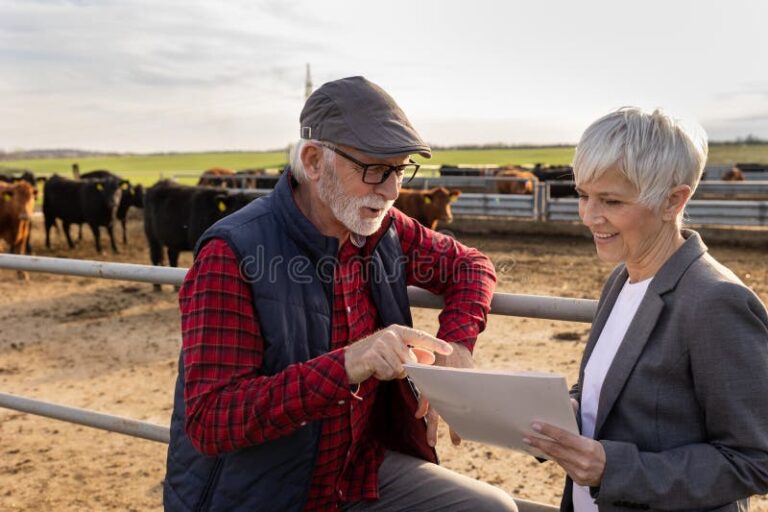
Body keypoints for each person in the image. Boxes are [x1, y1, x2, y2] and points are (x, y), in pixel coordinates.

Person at [163, 76, 519, 511]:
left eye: (400, 170)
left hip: (355, 474)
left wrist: (457, 346)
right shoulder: (232, 254)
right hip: (265, 490)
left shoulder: (381, 229)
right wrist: (349, 363)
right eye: (373, 170)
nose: (391, 192)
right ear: (313, 161)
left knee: (491, 508)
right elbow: (211, 420)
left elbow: (469, 265)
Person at [524, 107, 768, 511]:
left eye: (612, 201)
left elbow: (756, 459)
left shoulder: (716, 300)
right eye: (583, 195)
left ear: (674, 200)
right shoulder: (622, 279)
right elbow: (613, 392)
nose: (589, 216)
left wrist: (613, 470)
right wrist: (570, 411)